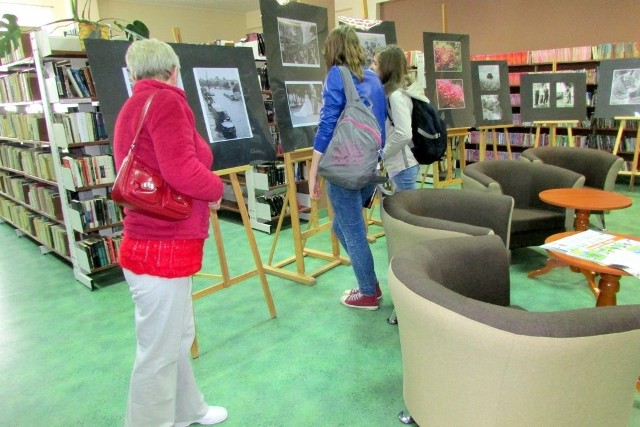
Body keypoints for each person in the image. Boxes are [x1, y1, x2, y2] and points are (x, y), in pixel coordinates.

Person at [113, 38, 227, 427]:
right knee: (159, 351)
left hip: (150, 242)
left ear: (133, 73)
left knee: (176, 337)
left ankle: (187, 410)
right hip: (162, 245)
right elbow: (183, 171)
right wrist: (217, 190)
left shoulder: (133, 106)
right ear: (174, 71)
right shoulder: (168, 102)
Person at [308, 25, 386, 310]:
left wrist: (314, 169)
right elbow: (382, 125)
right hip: (368, 164)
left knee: (351, 231)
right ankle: (369, 283)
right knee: (342, 226)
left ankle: (368, 292)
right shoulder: (374, 79)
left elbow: (327, 125)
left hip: (343, 166)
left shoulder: (335, 75)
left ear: (332, 49)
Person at [371, 45, 422, 192]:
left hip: (402, 168)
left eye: (375, 63)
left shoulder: (395, 96)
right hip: (398, 167)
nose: (371, 67)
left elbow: (404, 134)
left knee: (405, 213)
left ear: (386, 68)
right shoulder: (392, 93)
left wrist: (381, 155)